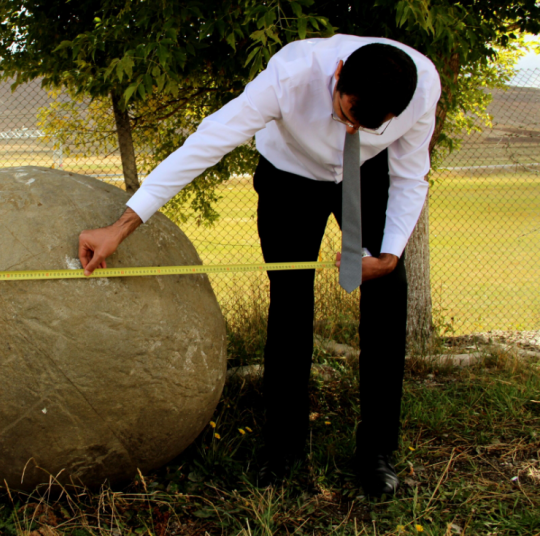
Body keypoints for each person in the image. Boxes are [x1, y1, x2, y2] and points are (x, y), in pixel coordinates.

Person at [77, 34, 441, 497]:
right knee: (291, 307)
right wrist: (122, 226)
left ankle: (377, 450)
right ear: (337, 74)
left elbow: (410, 174)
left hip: (368, 176)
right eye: (347, 115)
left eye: (370, 125)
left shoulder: (422, 85)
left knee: (388, 297)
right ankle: (284, 448)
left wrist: (388, 256)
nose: (351, 130)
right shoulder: (289, 76)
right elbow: (205, 144)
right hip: (290, 176)